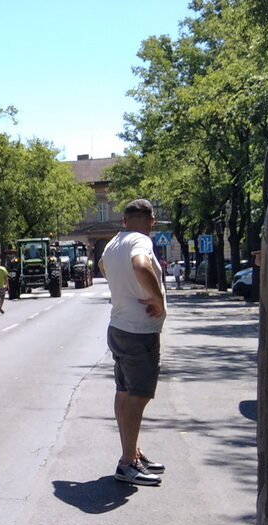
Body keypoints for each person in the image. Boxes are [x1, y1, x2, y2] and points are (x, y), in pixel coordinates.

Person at [99, 199, 167, 486]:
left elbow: (103, 266)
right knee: (138, 396)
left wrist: (121, 290)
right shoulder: (140, 241)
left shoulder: (114, 242)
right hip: (139, 332)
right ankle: (127, 463)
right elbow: (140, 265)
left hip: (119, 326)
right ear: (151, 220)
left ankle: (132, 452)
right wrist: (157, 300)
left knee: (125, 392)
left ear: (124, 220)